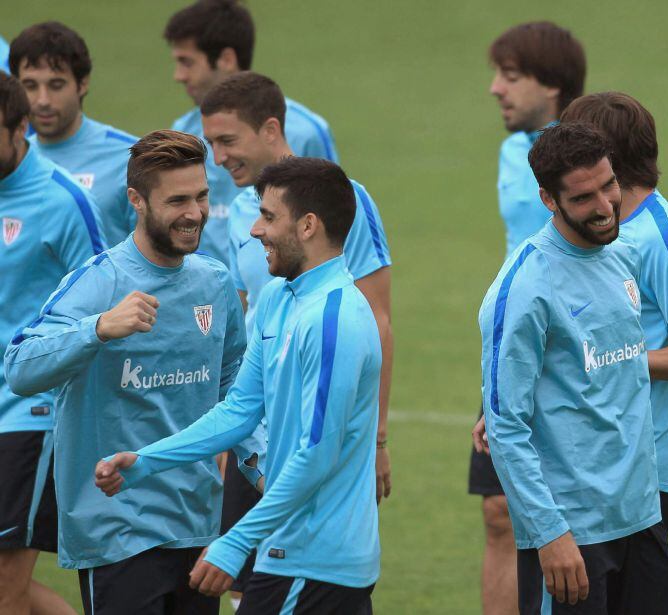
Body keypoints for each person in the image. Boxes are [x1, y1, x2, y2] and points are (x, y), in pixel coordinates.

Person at [95, 157, 382, 615]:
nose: (254, 230)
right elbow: (239, 411)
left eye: (269, 217)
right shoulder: (276, 300)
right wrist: (148, 461)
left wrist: (235, 542)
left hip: (317, 561)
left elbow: (316, 453)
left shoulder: (334, 321)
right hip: (288, 552)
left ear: (308, 226)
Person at [5, 130, 248, 615]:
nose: (195, 213)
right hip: (117, 530)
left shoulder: (215, 282)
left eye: (201, 197)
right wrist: (98, 329)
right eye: (177, 200)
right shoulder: (99, 282)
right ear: (136, 200)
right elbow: (19, 368)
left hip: (196, 526)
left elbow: (233, 388)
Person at [200, 71, 392, 603]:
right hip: (257, 429)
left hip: (315, 429)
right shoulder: (242, 210)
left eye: (227, 141)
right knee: (247, 585)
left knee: (288, 574)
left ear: (269, 129)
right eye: (210, 143)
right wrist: (229, 434)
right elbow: (247, 315)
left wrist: (375, 438)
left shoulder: (342, 199)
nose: (217, 158)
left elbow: (376, 318)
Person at [479, 122, 668, 614]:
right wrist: (550, 534)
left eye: (608, 185)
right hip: (571, 534)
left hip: (640, 517)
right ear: (550, 200)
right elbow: (507, 426)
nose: (606, 206)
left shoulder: (623, 254)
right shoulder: (524, 289)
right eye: (584, 197)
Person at [560, 92, 668, 532]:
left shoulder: (660, 237)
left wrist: (613, 362)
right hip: (594, 461)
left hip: (644, 472)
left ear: (603, 158)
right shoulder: (597, 229)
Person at [470, 21, 586, 615]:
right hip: (515, 345)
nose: (496, 89)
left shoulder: (591, 161)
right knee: (497, 512)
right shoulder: (513, 150)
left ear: (554, 86)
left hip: (572, 357)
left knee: (569, 513)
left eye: (511, 77)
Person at [0, 71, 103, 615]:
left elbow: (101, 301)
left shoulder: (62, 201)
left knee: (4, 585)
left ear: (20, 129)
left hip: (29, 413)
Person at [165, 0, 339, 264]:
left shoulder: (306, 132)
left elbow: (332, 222)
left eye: (187, 62)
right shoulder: (181, 132)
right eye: (212, 143)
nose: (178, 75)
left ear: (226, 59)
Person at [9, 22, 137, 248]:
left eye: (56, 85)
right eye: (29, 86)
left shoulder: (130, 158)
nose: (42, 101)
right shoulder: (12, 162)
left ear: (82, 84)